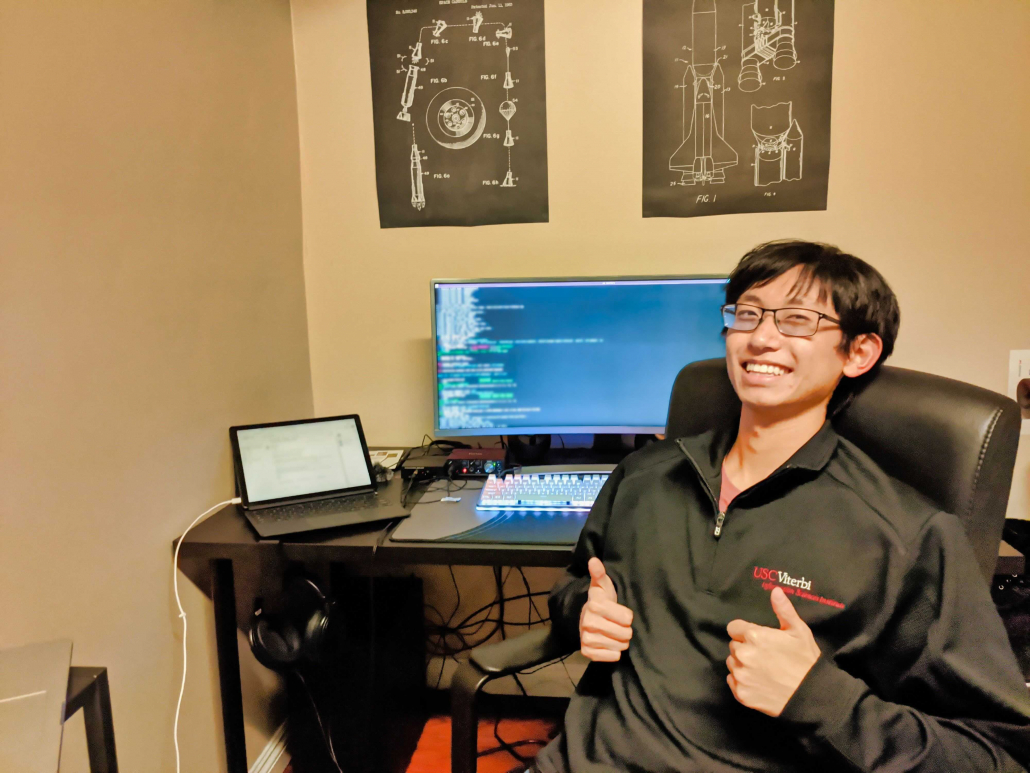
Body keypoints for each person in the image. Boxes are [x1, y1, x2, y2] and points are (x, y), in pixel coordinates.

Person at [534, 241, 1030, 772]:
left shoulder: (909, 537)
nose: (761, 338)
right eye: (747, 314)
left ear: (858, 352)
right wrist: (582, 611)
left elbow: (997, 755)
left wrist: (822, 699)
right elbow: (576, 585)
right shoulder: (644, 475)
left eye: (797, 320)